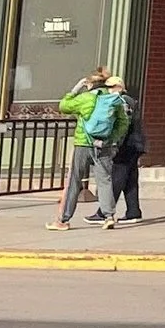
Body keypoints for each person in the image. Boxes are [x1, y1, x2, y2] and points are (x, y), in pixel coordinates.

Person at [47, 67, 114, 230]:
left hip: (83, 143)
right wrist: (113, 139)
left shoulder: (85, 98)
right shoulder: (112, 99)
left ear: (90, 84)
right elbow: (123, 122)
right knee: (104, 180)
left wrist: (75, 89)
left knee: (74, 181)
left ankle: (63, 219)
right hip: (104, 143)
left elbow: (63, 106)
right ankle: (109, 216)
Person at [101, 76, 145, 228]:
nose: (108, 90)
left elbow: (122, 125)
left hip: (126, 145)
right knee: (130, 180)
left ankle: (104, 212)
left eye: (111, 86)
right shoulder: (130, 100)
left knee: (117, 178)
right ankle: (133, 211)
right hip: (135, 144)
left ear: (118, 87)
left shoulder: (122, 101)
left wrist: (114, 143)